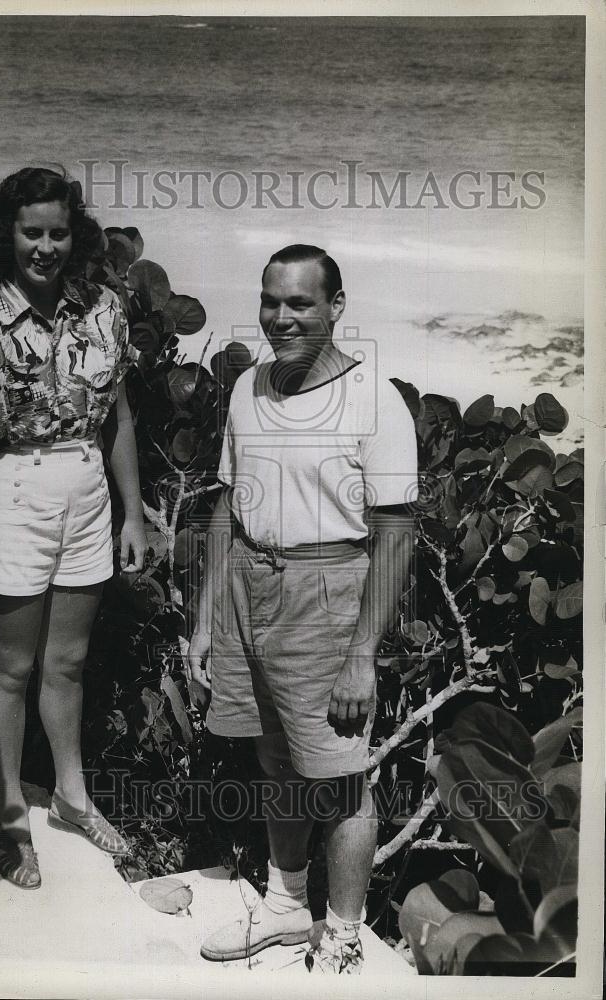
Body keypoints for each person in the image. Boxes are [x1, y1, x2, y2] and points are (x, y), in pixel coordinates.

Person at [187, 244, 417, 972]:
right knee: (274, 756)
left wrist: (360, 656)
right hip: (248, 584)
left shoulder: (375, 397)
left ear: (336, 308)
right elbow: (229, 504)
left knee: (343, 777)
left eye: (300, 304)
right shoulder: (247, 386)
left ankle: (344, 935)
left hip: (328, 593)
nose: (280, 319)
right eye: (270, 302)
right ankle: (288, 909)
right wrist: (205, 617)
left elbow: (397, 536)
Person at [0, 167, 146, 889]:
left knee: (67, 664)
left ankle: (70, 796)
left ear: (75, 233)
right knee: (12, 668)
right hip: (17, 491)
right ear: (8, 235)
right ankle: (8, 813)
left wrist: (135, 512)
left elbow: (119, 415)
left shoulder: (105, 309)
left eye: (59, 232)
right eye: (32, 232)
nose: (47, 247)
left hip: (88, 490)